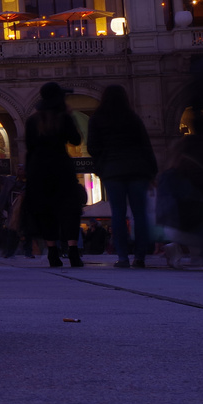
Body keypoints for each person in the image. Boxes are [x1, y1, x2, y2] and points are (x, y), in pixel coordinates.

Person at [87, 84, 157, 268]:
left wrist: (101, 164)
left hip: (113, 170)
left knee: (118, 214)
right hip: (138, 169)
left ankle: (123, 257)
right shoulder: (132, 118)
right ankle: (140, 256)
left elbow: (92, 147)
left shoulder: (97, 119)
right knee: (139, 214)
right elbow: (146, 145)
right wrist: (153, 171)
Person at [21, 82, 87, 268]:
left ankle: (52, 253)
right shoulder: (63, 118)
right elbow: (76, 140)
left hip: (38, 170)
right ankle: (73, 253)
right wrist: (70, 115)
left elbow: (30, 148)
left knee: (46, 211)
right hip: (61, 168)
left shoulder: (32, 121)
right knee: (69, 209)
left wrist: (28, 174)